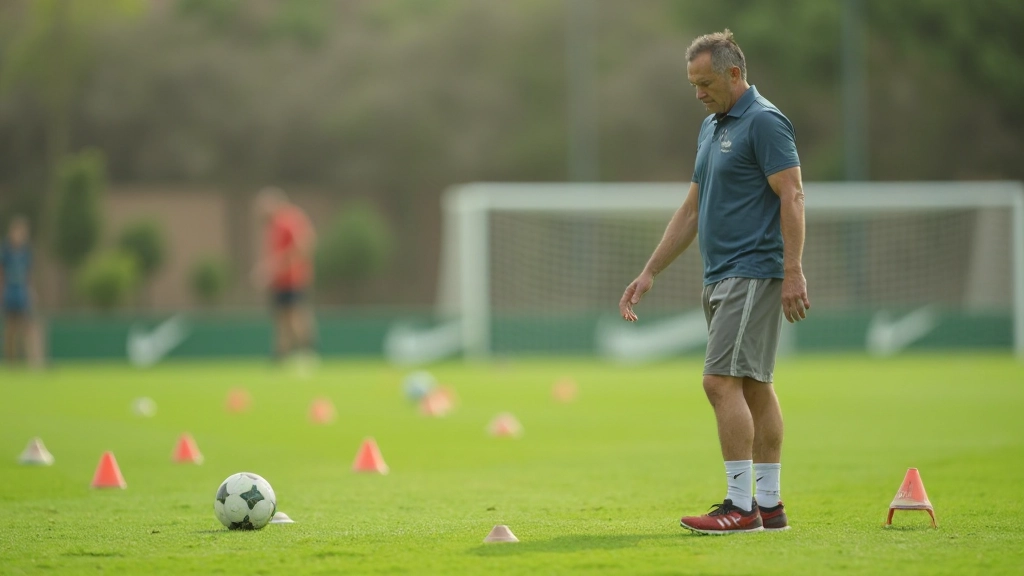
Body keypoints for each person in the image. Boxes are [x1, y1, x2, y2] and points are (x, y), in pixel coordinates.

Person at [619, 30, 810, 534]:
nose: (698, 93)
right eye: (692, 84)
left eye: (705, 83)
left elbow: (791, 196)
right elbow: (691, 209)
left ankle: (740, 506)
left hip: (753, 271)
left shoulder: (765, 122)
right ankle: (768, 506)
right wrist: (650, 271)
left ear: (733, 73)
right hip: (721, 274)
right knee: (753, 386)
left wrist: (792, 271)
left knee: (718, 381)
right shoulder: (711, 127)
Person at [252, 187, 317, 363]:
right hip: (279, 281)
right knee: (281, 319)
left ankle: (306, 354)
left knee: (295, 316)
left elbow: (303, 246)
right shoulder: (273, 225)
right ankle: (282, 356)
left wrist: (278, 266)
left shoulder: (290, 219)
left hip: (293, 278)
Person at [1, 216, 38, 365]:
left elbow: (28, 275)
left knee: (27, 325)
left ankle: (33, 361)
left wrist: (31, 291)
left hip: (21, 292)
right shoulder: (5, 252)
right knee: (10, 327)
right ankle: (11, 361)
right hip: (10, 291)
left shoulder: (26, 253)